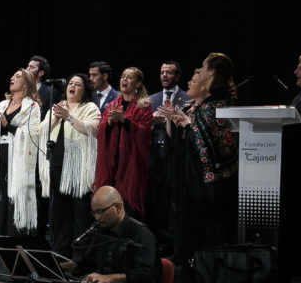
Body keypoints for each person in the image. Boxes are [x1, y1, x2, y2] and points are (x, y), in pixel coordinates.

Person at [156, 53, 238, 266]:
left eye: (203, 66)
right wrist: (175, 121)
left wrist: (187, 125)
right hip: (185, 177)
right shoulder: (200, 107)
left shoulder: (216, 106)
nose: (199, 70)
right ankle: (184, 263)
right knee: (183, 221)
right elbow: (185, 135)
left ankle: (204, 267)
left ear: (212, 71)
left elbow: (216, 145)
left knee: (203, 225)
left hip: (206, 186)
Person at [38, 73, 100, 257]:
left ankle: (80, 256)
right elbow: (41, 130)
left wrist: (69, 117)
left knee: (80, 213)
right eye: (70, 83)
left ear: (84, 90)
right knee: (59, 213)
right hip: (57, 165)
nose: (72, 86)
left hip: (78, 169)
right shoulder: (57, 107)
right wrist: (57, 118)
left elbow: (94, 129)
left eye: (78, 84)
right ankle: (61, 253)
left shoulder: (90, 107)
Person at [0, 69, 42, 236]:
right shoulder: (2, 105)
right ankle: (0, 236)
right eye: (12, 75)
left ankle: (14, 237)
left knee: (15, 197)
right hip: (0, 155)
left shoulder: (32, 107)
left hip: (19, 158)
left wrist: (7, 126)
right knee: (1, 196)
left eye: (18, 77)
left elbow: (32, 135)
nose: (12, 78)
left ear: (26, 83)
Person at [94, 67, 154, 218]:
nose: (124, 80)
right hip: (111, 164)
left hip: (130, 164)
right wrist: (108, 123)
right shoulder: (112, 104)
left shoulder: (143, 106)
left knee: (128, 206)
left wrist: (124, 121)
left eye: (130, 77)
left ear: (138, 83)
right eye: (123, 77)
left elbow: (145, 133)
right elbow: (101, 130)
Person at [146, 61, 189, 256]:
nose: (164, 76)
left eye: (169, 73)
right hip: (154, 158)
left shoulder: (187, 98)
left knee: (173, 203)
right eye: (162, 72)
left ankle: (175, 243)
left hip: (177, 158)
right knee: (157, 202)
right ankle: (160, 241)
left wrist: (170, 119)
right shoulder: (151, 99)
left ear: (177, 76)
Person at [27, 55, 59, 119]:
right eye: (28, 66)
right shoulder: (21, 90)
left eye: (32, 67)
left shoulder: (50, 92)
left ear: (41, 73)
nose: (27, 69)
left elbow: (51, 118)